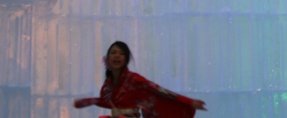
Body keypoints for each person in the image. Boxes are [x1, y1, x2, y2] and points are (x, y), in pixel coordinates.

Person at [73, 41, 206, 118]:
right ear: (107, 58)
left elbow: (157, 90)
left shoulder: (133, 79)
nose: (117, 56)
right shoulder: (108, 84)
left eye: (121, 53)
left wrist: (188, 101)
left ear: (126, 59)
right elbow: (107, 103)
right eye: (113, 53)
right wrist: (87, 101)